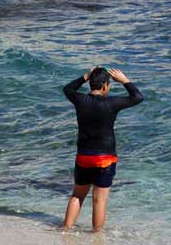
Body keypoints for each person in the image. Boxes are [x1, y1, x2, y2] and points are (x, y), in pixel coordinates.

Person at [60, 65, 143, 232]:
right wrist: (125, 80)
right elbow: (137, 97)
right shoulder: (112, 103)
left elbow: (67, 89)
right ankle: (96, 235)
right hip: (105, 159)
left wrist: (85, 76)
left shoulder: (80, 100)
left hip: (83, 156)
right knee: (99, 200)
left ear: (91, 83)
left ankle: (66, 230)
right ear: (105, 86)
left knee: (77, 195)